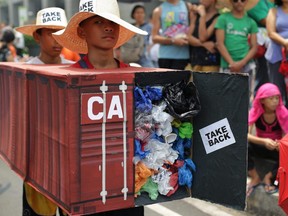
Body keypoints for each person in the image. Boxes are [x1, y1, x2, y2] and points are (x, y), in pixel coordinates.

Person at [52, 0, 147, 215]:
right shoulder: (65, 80)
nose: (107, 27)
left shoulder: (137, 77)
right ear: (82, 31)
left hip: (126, 190)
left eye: (112, 22)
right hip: (82, 192)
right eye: (98, 22)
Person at [15, 7, 73, 216]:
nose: (57, 40)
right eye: (50, 33)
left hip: (68, 160)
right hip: (37, 162)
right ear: (37, 36)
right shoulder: (24, 72)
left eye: (61, 33)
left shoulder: (75, 70)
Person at [247, 83, 288, 196]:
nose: (275, 101)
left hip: (276, 148)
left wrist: (279, 143)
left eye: (277, 98)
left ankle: (269, 176)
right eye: (271, 98)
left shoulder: (283, 112)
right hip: (260, 146)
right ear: (262, 100)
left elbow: (286, 136)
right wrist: (264, 141)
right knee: (242, 145)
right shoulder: (255, 111)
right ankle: (255, 177)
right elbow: (246, 135)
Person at [215, 0, 258, 94]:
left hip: (247, 66)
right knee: (226, 97)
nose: (239, 2)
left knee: (246, 98)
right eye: (235, 0)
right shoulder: (222, 19)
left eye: (242, 0)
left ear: (246, 2)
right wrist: (232, 64)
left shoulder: (251, 22)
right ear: (231, 2)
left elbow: (255, 47)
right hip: (227, 65)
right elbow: (219, 43)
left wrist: (241, 63)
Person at [151, 0, 192, 70]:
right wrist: (173, 41)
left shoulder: (188, 6)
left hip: (184, 56)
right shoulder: (158, 10)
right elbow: (154, 38)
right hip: (165, 56)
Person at [247, 0, 274, 96]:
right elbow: (266, 21)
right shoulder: (253, 3)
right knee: (263, 77)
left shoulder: (275, 3)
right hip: (262, 49)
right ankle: (257, 107)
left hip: (277, 48)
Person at [265, 0, 288, 107]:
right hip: (276, 55)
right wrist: (285, 42)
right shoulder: (273, 11)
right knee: (277, 90)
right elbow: (271, 33)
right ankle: (281, 118)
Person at [187, 0, 220, 72]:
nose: (201, 1)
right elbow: (188, 37)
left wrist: (203, 16)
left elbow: (203, 37)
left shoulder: (218, 18)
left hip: (210, 63)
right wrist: (204, 44)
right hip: (194, 61)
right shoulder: (195, 14)